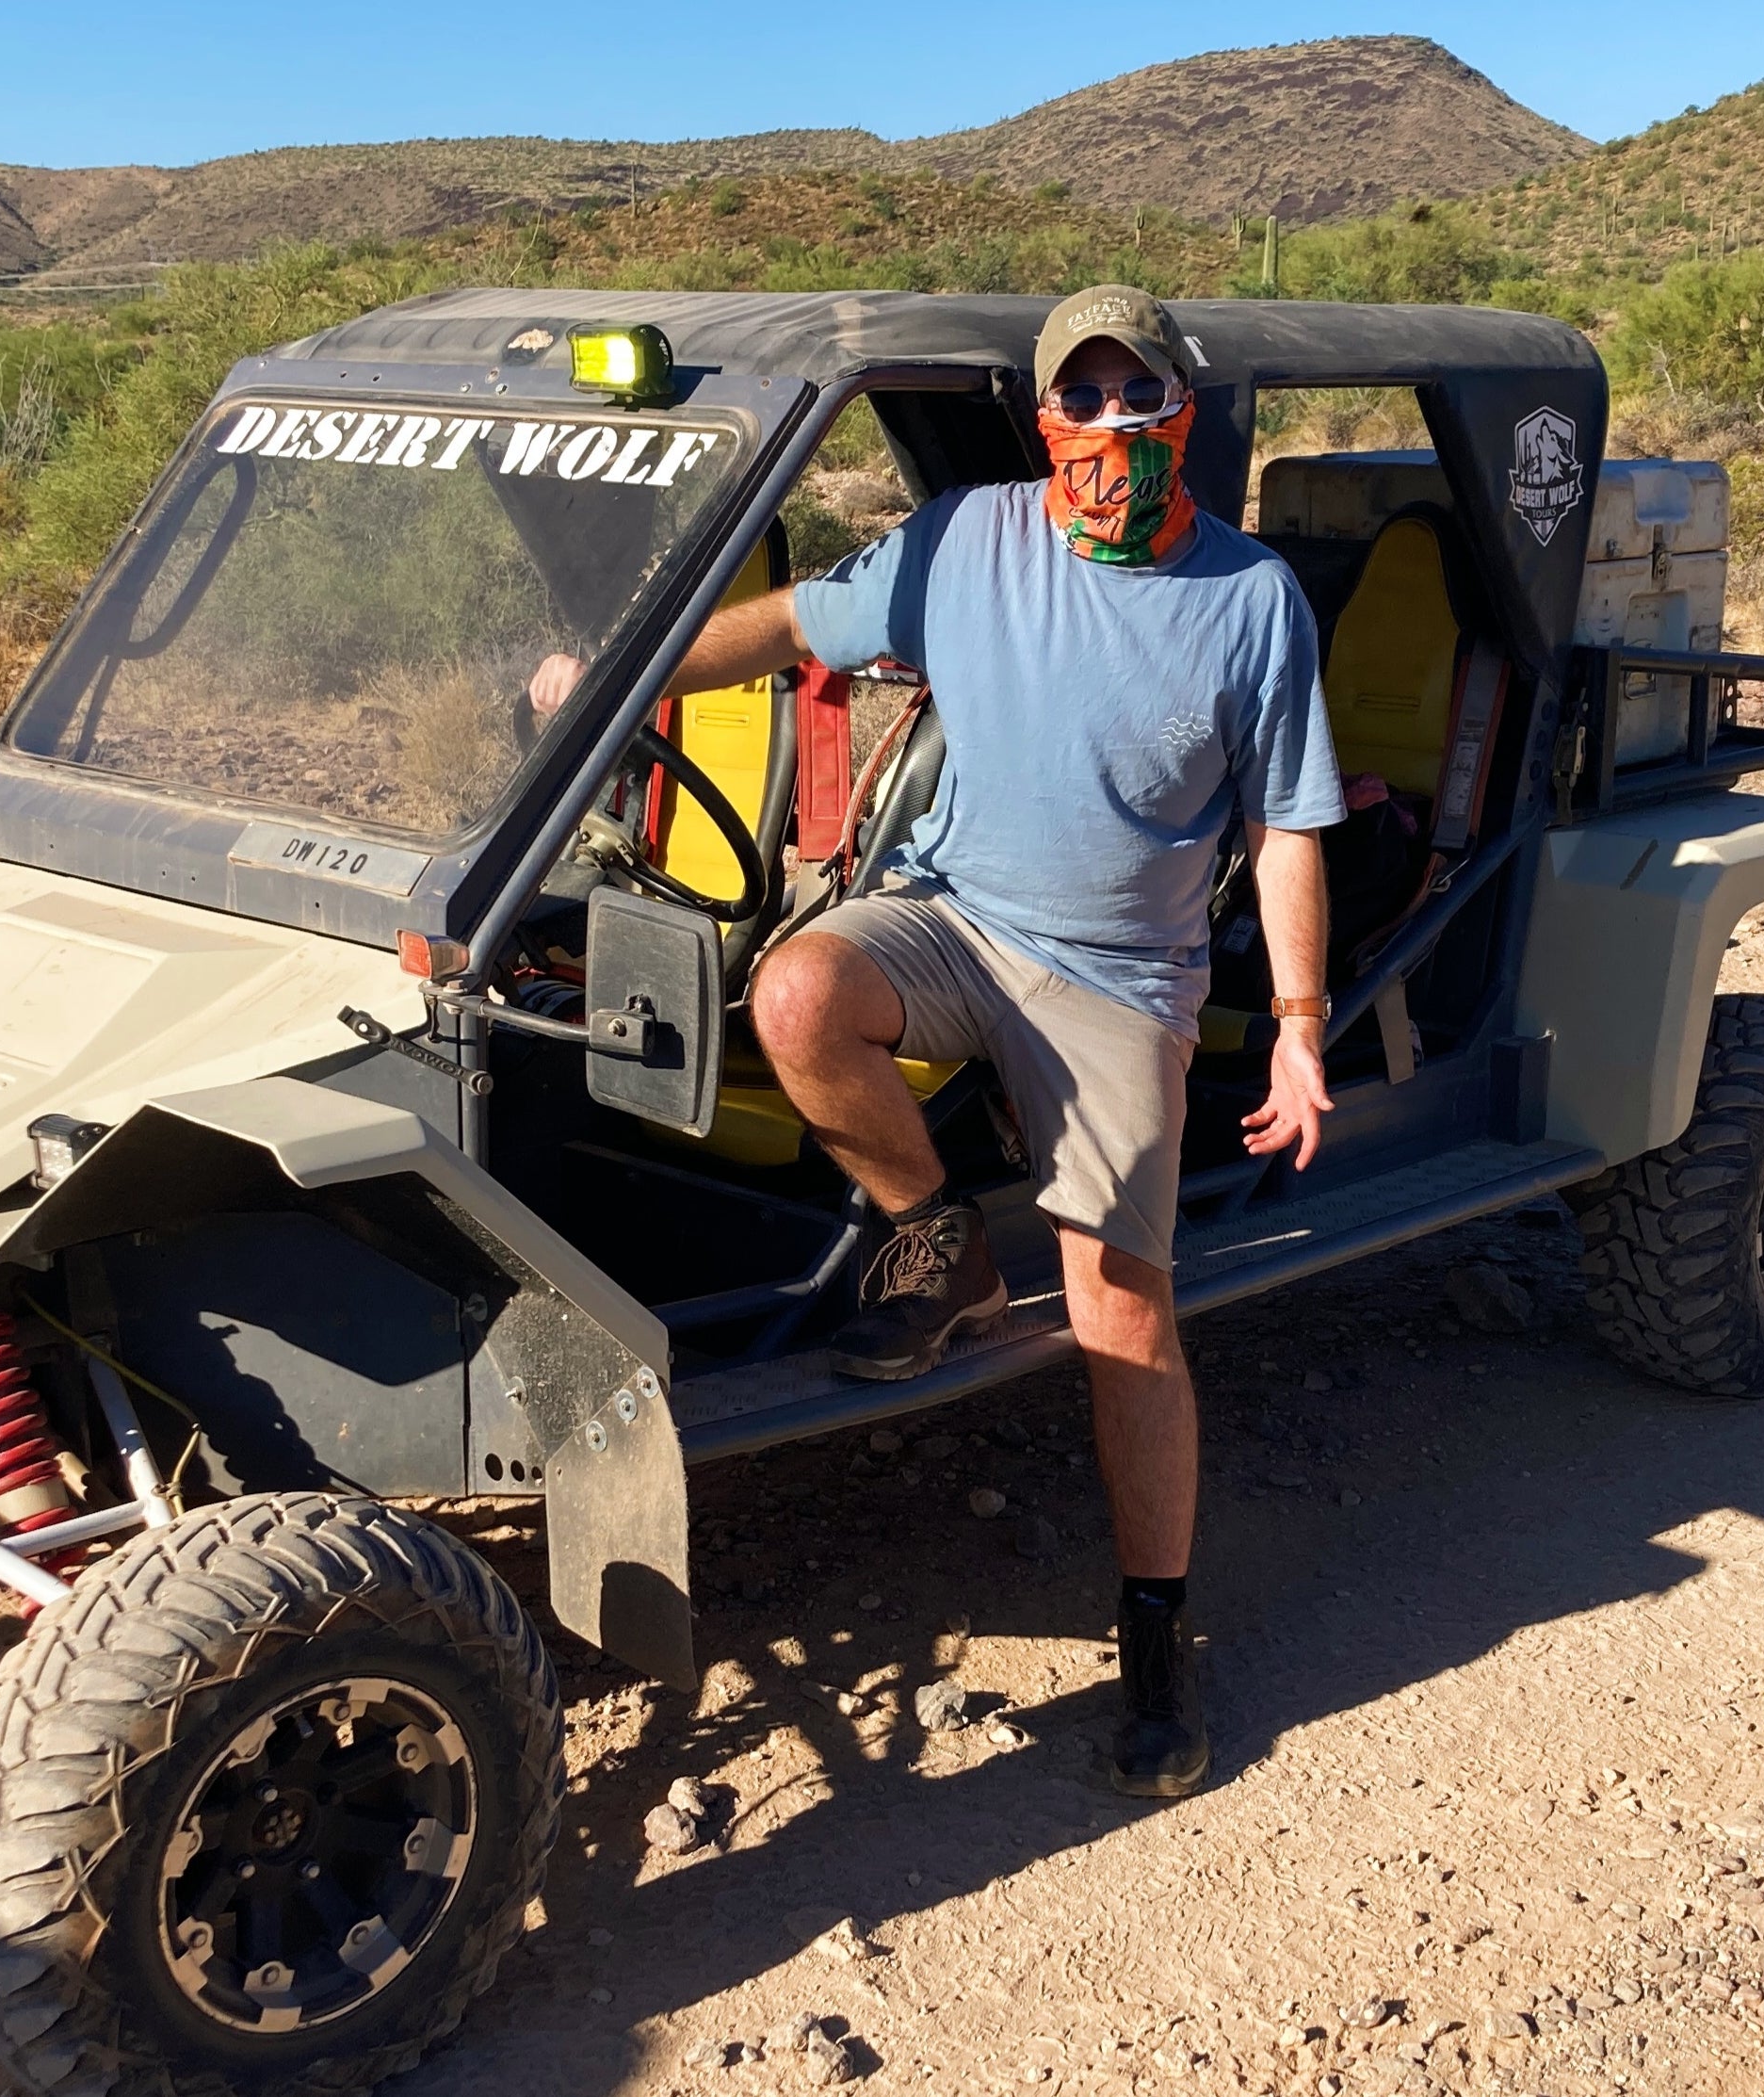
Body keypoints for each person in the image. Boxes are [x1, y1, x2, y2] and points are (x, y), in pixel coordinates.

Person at [532, 286, 1340, 1796]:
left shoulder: (1249, 597)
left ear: (1182, 408)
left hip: (1121, 976)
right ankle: (942, 1244)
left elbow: (1287, 825)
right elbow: (791, 625)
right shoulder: (969, 539)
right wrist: (622, 677)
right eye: (1081, 397)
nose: (1110, 424)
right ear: (1044, 416)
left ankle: (1155, 1636)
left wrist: (1296, 1027)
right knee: (795, 996)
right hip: (955, 917)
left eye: (1138, 395)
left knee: (1119, 1309)